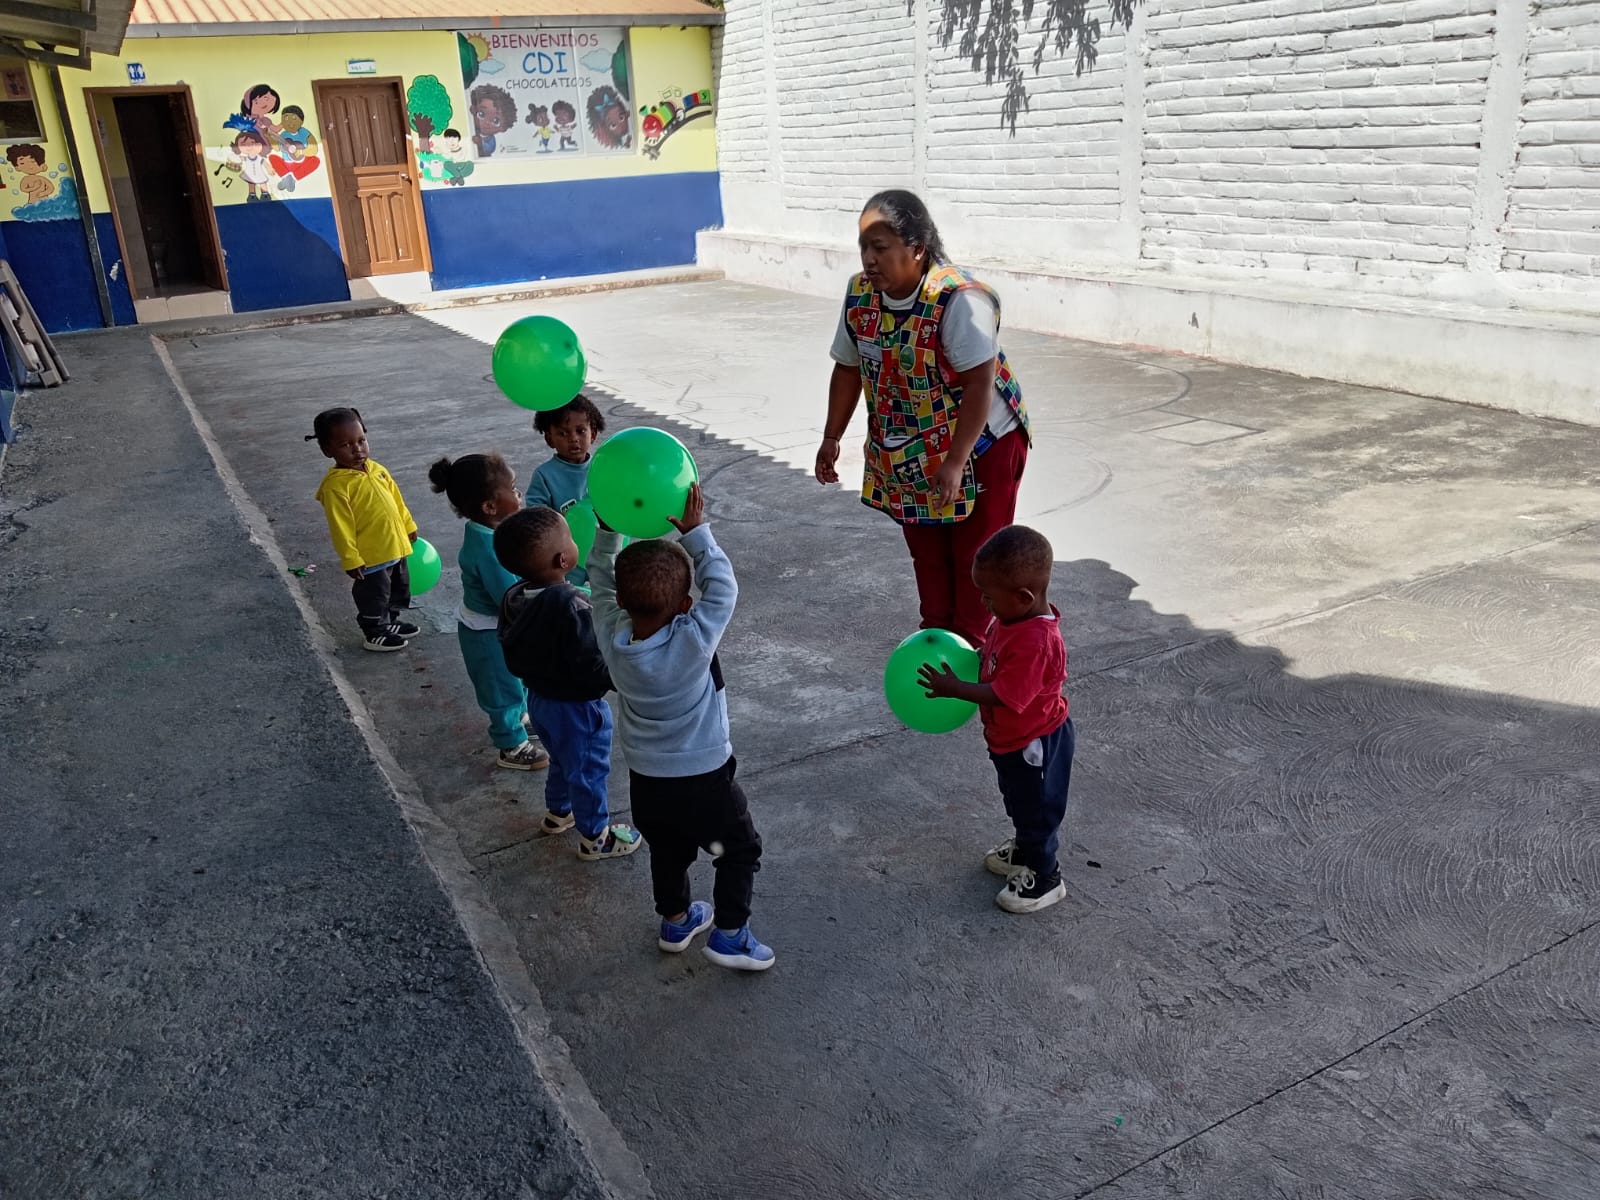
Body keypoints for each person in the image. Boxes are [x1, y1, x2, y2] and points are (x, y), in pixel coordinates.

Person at [815, 189, 1031, 649]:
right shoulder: (861, 296)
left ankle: (972, 653)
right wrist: (832, 437)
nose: (869, 259)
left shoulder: (959, 301)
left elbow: (979, 386)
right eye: (863, 247)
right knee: (928, 553)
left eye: (880, 247)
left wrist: (955, 461)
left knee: (976, 562)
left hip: (982, 444)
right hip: (913, 450)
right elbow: (848, 368)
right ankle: (935, 639)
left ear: (917, 248)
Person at [588, 484, 773, 971]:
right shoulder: (694, 638)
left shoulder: (611, 634)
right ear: (687, 604)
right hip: (706, 779)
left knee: (668, 851)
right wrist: (697, 534)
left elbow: (598, 585)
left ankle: (675, 920)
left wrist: (607, 534)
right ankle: (730, 934)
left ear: (622, 602)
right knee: (739, 849)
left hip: (648, 782)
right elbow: (725, 588)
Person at [918, 525, 1072, 914]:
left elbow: (1004, 694)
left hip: (1034, 743)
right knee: (1019, 801)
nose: (983, 602)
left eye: (988, 596)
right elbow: (994, 655)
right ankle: (1025, 848)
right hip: (1009, 740)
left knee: (1037, 810)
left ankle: (1046, 876)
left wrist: (955, 687)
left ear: (1023, 597)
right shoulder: (1011, 619)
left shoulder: (1036, 642)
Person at [494, 505, 639, 860]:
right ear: (563, 560)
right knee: (588, 771)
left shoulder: (515, 597)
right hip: (578, 709)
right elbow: (591, 663)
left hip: (540, 702)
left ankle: (558, 813)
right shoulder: (573, 606)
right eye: (571, 539)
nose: (575, 543)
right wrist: (624, 680)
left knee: (561, 760)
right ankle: (595, 837)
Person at [426, 454, 550, 771]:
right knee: (501, 688)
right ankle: (510, 744)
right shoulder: (489, 550)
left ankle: (521, 718)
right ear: (490, 507)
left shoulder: (492, 533)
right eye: (513, 488)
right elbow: (508, 597)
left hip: (499, 626)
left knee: (517, 678)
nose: (519, 493)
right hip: (486, 634)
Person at [308, 408, 420, 653]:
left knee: (397, 587)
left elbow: (397, 501)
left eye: (361, 440)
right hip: (371, 555)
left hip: (395, 546)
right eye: (345, 445)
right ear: (327, 450)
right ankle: (374, 631)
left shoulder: (377, 469)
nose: (357, 449)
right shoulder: (336, 486)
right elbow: (340, 527)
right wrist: (351, 558)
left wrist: (408, 525)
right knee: (375, 594)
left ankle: (390, 621)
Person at [525, 394, 606, 587]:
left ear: (593, 434)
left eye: (581, 431)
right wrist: (557, 520)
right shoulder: (544, 475)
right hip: (566, 557)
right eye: (563, 433)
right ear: (549, 439)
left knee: (606, 590)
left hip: (603, 547)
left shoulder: (603, 469)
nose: (573, 439)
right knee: (573, 594)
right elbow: (534, 516)